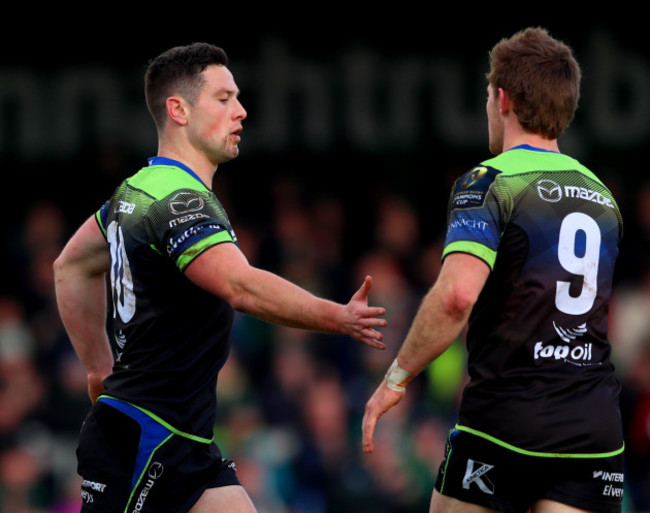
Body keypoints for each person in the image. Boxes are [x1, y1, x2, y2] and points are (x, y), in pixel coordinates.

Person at [53, 42, 387, 513]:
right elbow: (240, 286)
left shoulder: (133, 193)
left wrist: (96, 367)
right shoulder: (179, 199)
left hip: (183, 440)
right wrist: (339, 316)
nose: (242, 111)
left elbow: (70, 266)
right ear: (179, 110)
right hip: (145, 439)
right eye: (225, 98)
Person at [362, 27, 625, 513]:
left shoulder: (489, 181)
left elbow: (456, 297)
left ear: (501, 98)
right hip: (593, 430)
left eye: (487, 93)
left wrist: (395, 379)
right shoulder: (603, 196)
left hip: (508, 420)